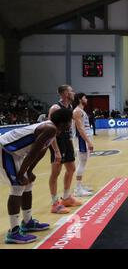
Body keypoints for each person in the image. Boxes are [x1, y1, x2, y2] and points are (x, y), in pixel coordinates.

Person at [0, 108, 73, 244]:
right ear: (64, 122)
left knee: (27, 184)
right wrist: (22, 173)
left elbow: (41, 152)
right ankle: (13, 233)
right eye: (70, 121)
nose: (71, 124)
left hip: (16, 153)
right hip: (5, 150)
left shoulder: (53, 129)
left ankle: (27, 223)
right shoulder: (49, 128)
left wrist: (29, 171)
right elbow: (33, 152)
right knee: (17, 187)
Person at [48, 85, 81, 214]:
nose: (73, 92)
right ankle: (54, 203)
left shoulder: (70, 107)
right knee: (55, 172)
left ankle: (66, 197)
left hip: (67, 140)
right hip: (57, 141)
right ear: (65, 93)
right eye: (71, 91)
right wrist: (55, 150)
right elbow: (50, 129)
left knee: (71, 168)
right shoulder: (55, 108)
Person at [73, 93, 94, 197]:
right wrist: (89, 142)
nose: (86, 99)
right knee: (82, 162)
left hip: (85, 139)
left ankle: (80, 186)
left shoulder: (81, 111)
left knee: (83, 162)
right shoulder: (77, 111)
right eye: (85, 97)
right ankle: (77, 189)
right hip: (82, 140)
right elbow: (80, 129)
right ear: (80, 99)